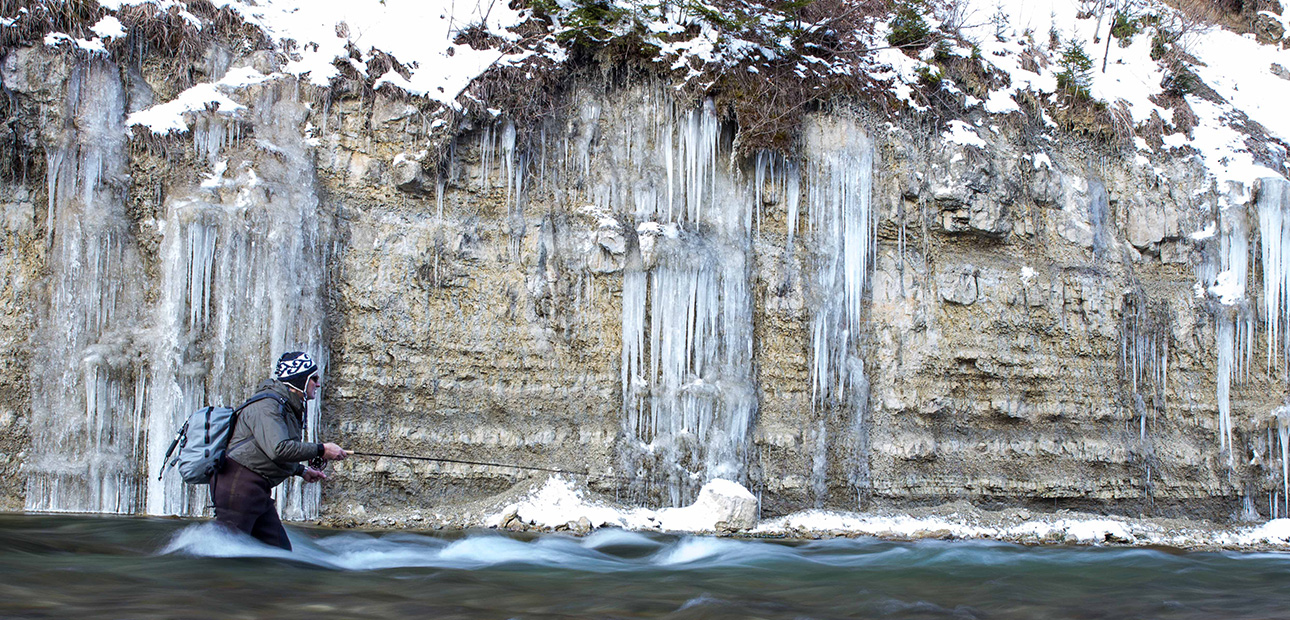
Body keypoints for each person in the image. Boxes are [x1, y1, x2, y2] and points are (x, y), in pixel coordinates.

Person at [211, 351, 348, 550]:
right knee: (227, 556)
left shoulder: (285, 406)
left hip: (255, 490)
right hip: (237, 487)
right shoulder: (267, 406)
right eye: (314, 379)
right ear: (299, 380)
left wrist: (301, 471)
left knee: (278, 552)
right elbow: (278, 449)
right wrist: (322, 449)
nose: (318, 384)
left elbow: (266, 450)